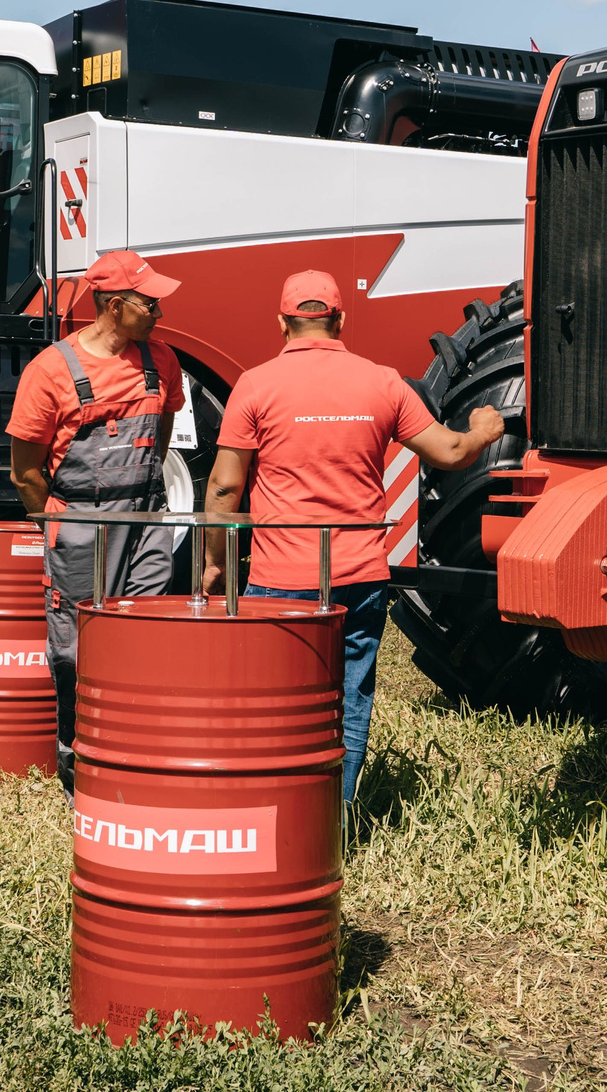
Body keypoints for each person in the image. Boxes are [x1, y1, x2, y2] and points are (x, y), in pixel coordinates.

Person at [204, 272, 506, 802]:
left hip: (281, 580)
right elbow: (451, 453)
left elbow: (226, 487)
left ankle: (273, 811)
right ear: (341, 320)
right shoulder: (382, 382)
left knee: (272, 701)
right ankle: (333, 819)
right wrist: (484, 427)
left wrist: (216, 563)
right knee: (348, 697)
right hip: (360, 574)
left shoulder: (255, 385)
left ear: (282, 323)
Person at [6, 251, 187, 795]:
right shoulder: (51, 371)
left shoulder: (163, 359)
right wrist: (64, 522)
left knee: (147, 634)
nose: (158, 308)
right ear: (112, 305)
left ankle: (137, 752)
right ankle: (76, 758)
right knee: (75, 647)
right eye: (148, 300)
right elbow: (25, 473)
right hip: (80, 520)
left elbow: (163, 428)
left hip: (146, 517)